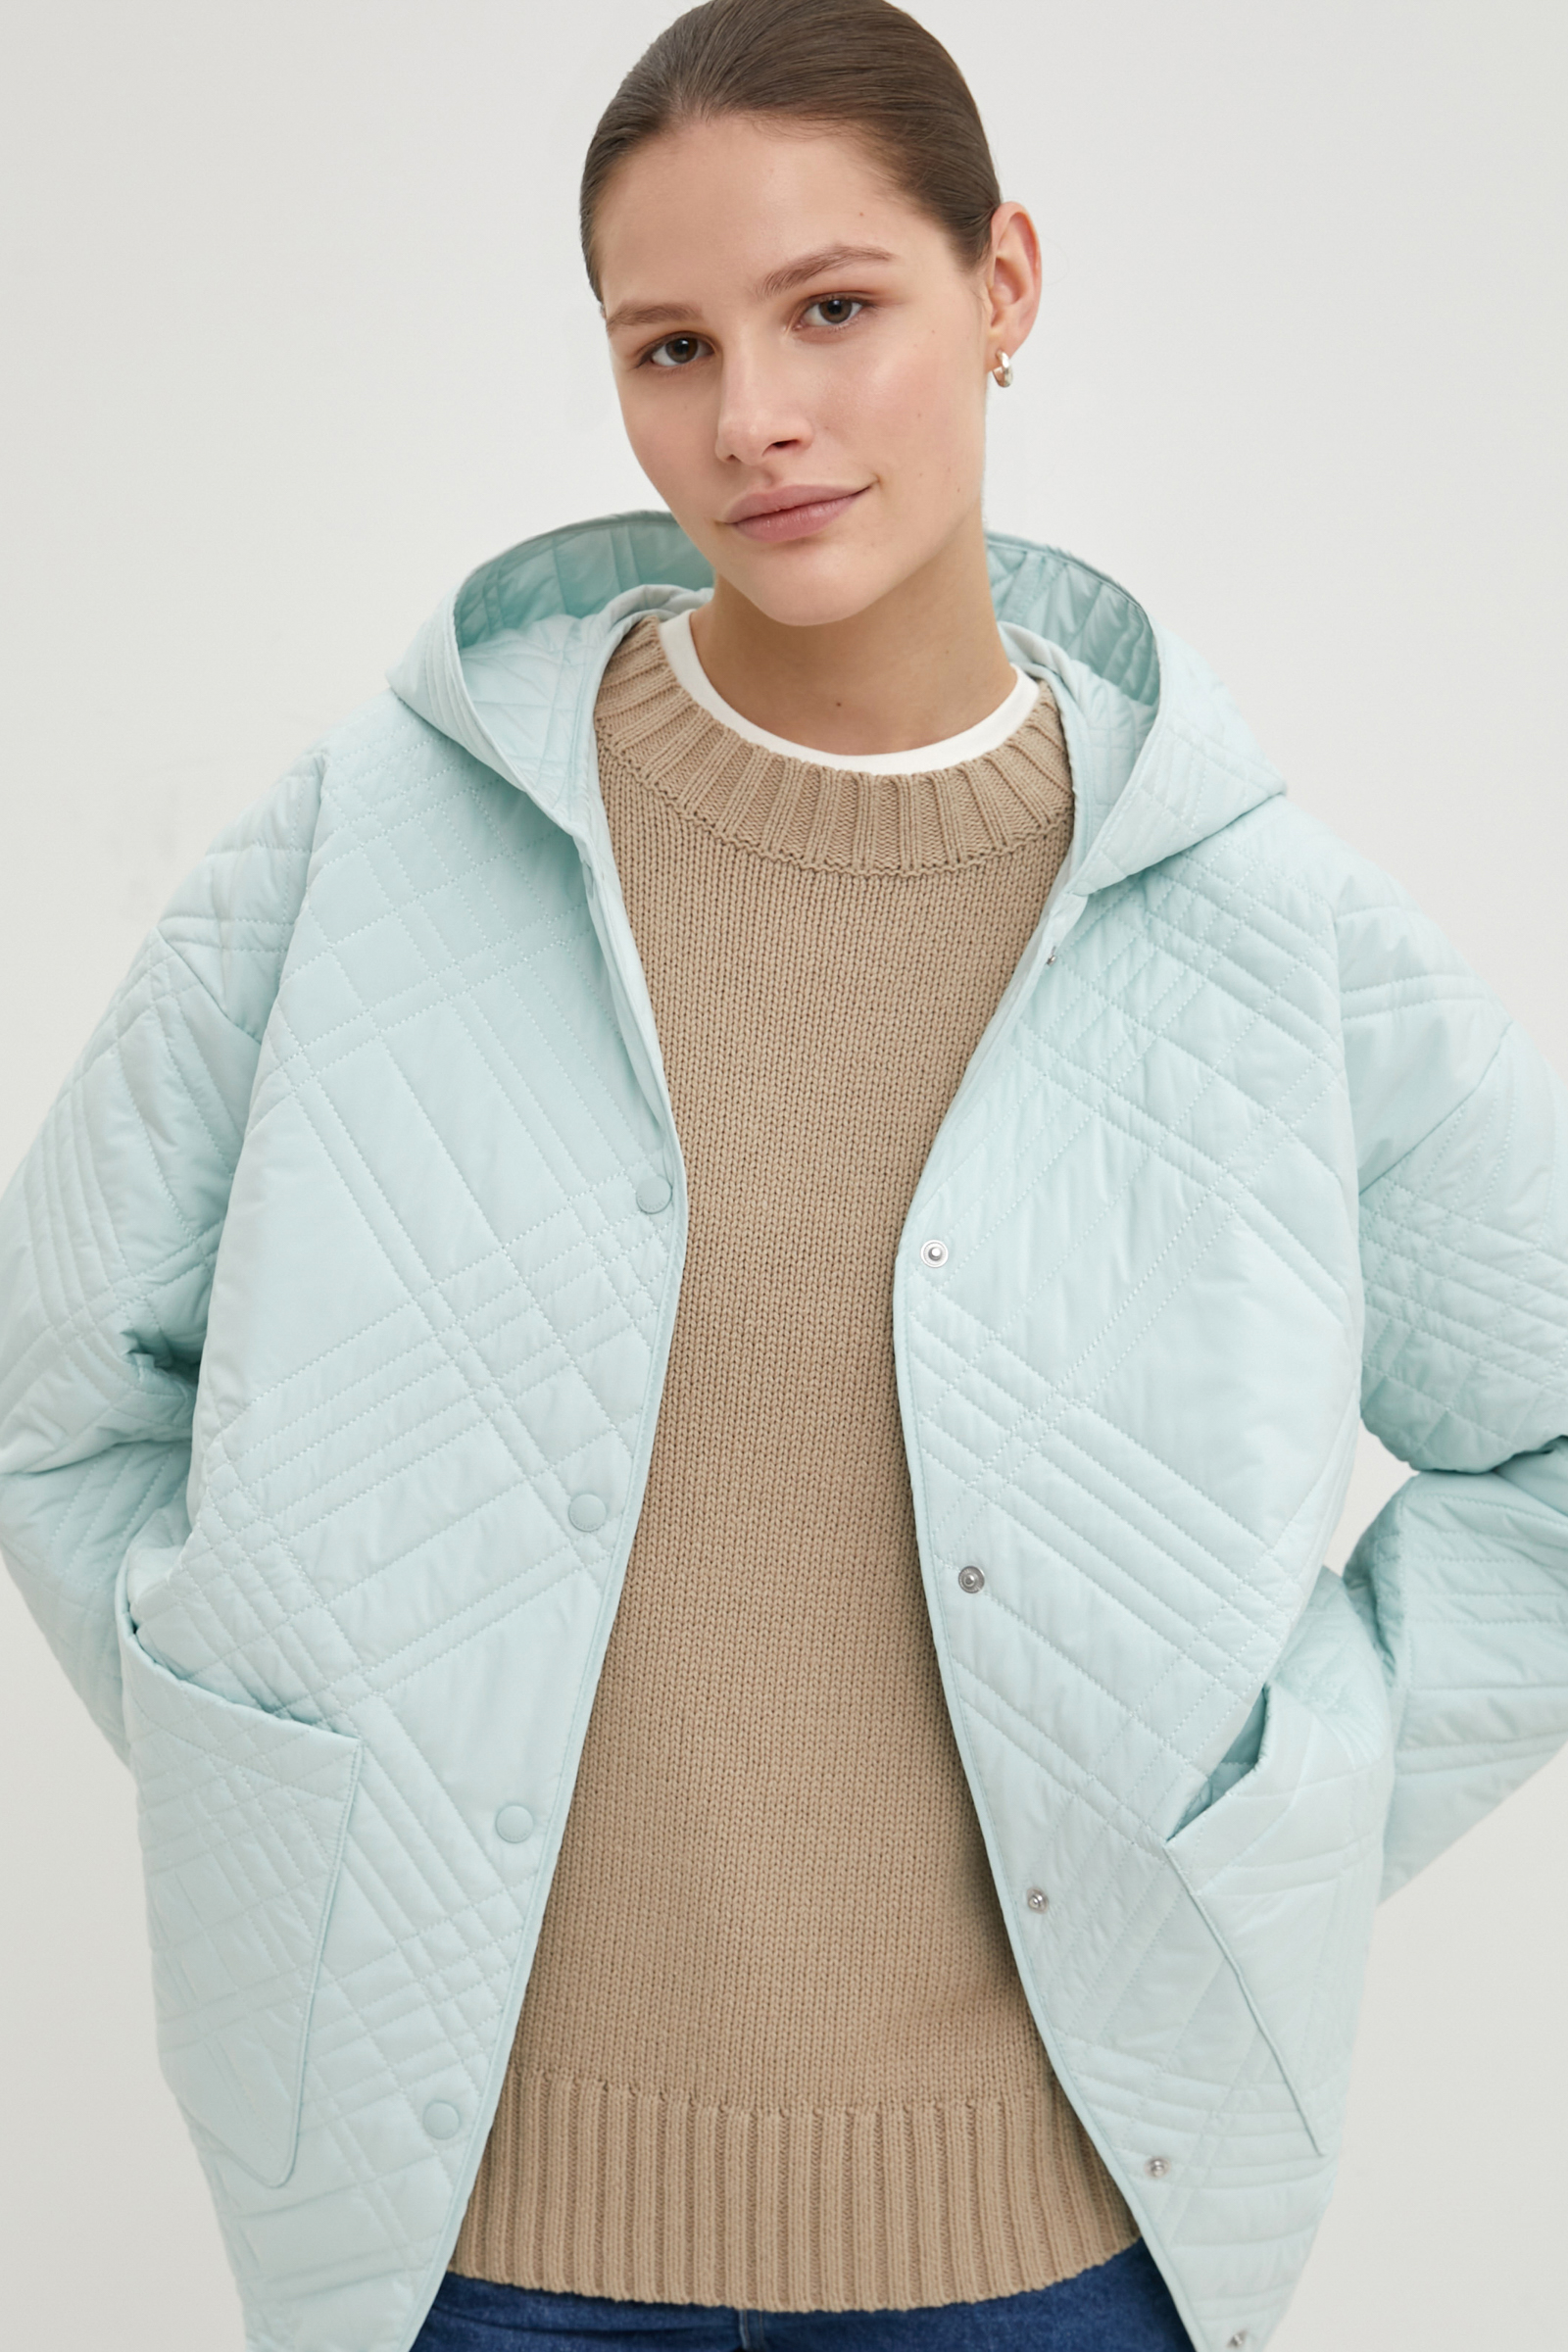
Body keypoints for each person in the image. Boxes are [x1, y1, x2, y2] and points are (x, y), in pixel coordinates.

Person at [1, 2, 1565, 2348]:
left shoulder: (1261, 924)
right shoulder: (378, 838)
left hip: (1046, 2265)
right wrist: (298, 1786)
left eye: (832, 308)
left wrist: (1273, 1813)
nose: (749, 416)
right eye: (670, 346)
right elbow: (57, 1388)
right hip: (467, 2258)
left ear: (1001, 284)